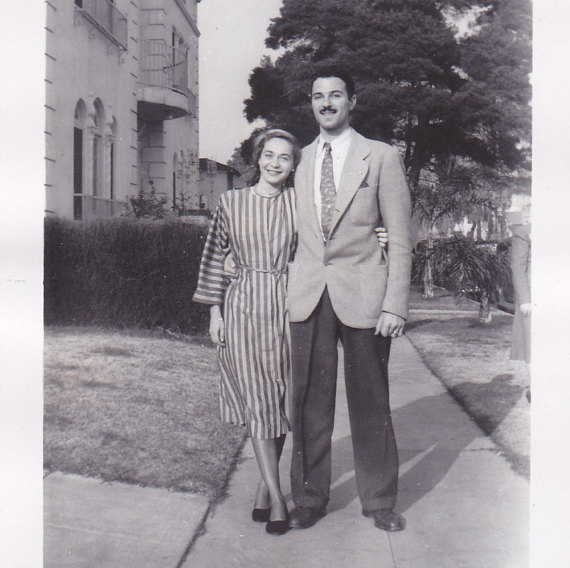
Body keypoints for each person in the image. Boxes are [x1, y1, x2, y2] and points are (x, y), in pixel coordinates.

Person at [287, 68, 413, 532]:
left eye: (335, 95)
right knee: (308, 403)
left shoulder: (380, 157)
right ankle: (308, 498)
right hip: (308, 295)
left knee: (371, 402)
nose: (326, 103)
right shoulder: (297, 161)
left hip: (365, 294)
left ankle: (379, 500)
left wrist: (395, 303)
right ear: (311, 104)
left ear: (351, 102)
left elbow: (401, 234)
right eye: (318, 96)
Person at [193, 129, 301, 535]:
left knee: (282, 403)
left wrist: (378, 235)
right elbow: (214, 256)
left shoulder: (297, 204)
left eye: (285, 158)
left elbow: (324, 245)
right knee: (258, 402)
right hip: (241, 310)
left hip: (287, 309)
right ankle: (277, 500)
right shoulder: (232, 202)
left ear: (293, 166)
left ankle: (261, 488)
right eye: (269, 155)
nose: (275, 163)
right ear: (258, 159)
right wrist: (214, 314)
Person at [509, 200, 531, 400]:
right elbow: (518, 266)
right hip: (533, 297)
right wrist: (524, 299)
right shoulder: (523, 232)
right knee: (531, 341)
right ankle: (536, 385)